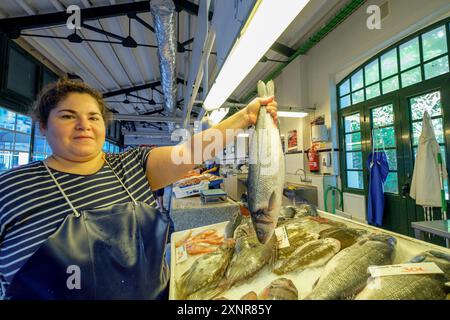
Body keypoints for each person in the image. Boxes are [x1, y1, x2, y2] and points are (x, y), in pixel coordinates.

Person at [0, 79, 278, 300]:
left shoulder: (132, 166)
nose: (84, 125)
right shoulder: (10, 188)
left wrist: (246, 116)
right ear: (42, 125)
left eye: (93, 117)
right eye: (68, 116)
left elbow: (190, 151)